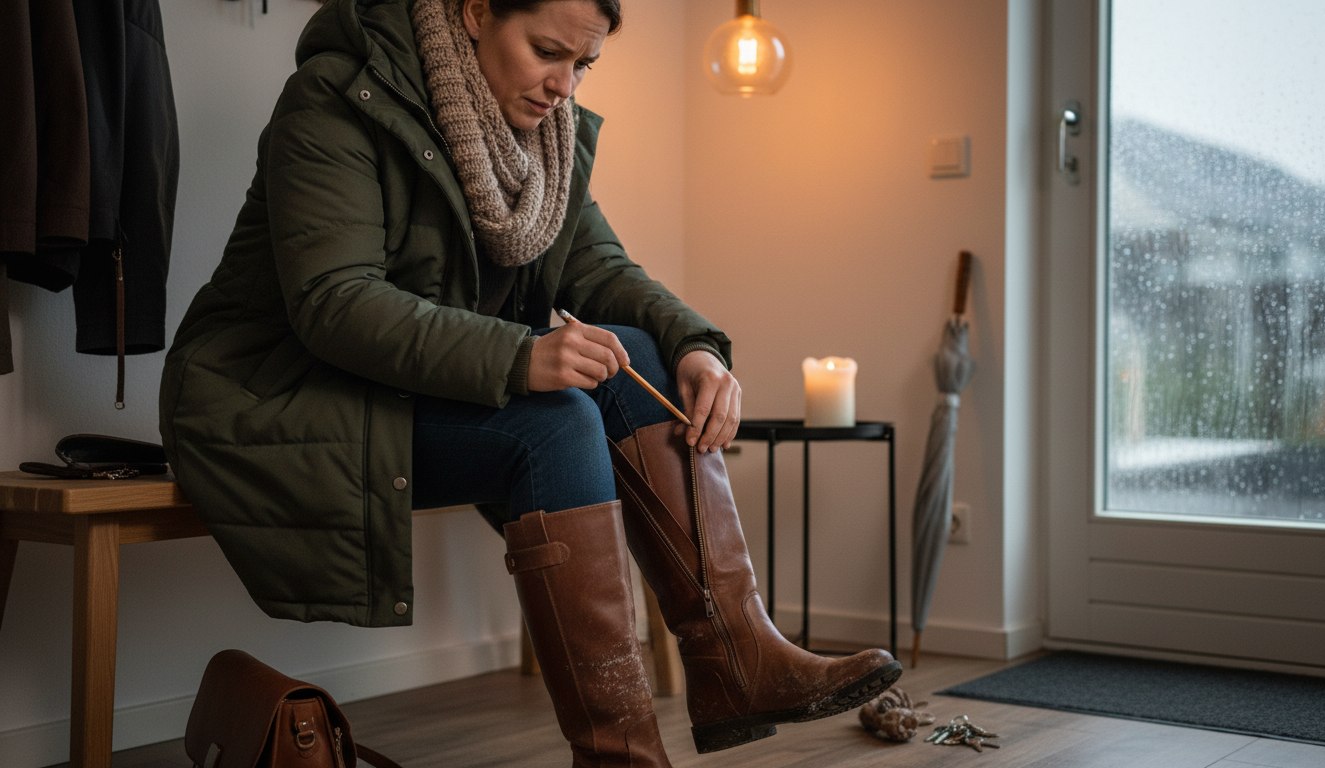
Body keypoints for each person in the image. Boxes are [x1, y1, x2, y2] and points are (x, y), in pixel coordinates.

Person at [159, 0, 902, 764]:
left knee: (640, 352)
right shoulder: (339, 96)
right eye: (548, 51)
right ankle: (622, 755)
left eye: (583, 64)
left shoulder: (539, 141)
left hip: (405, 388)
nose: (564, 85)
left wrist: (699, 348)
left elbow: (600, 269)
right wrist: (522, 355)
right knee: (556, 421)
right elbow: (335, 304)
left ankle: (737, 657)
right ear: (476, 11)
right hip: (283, 397)